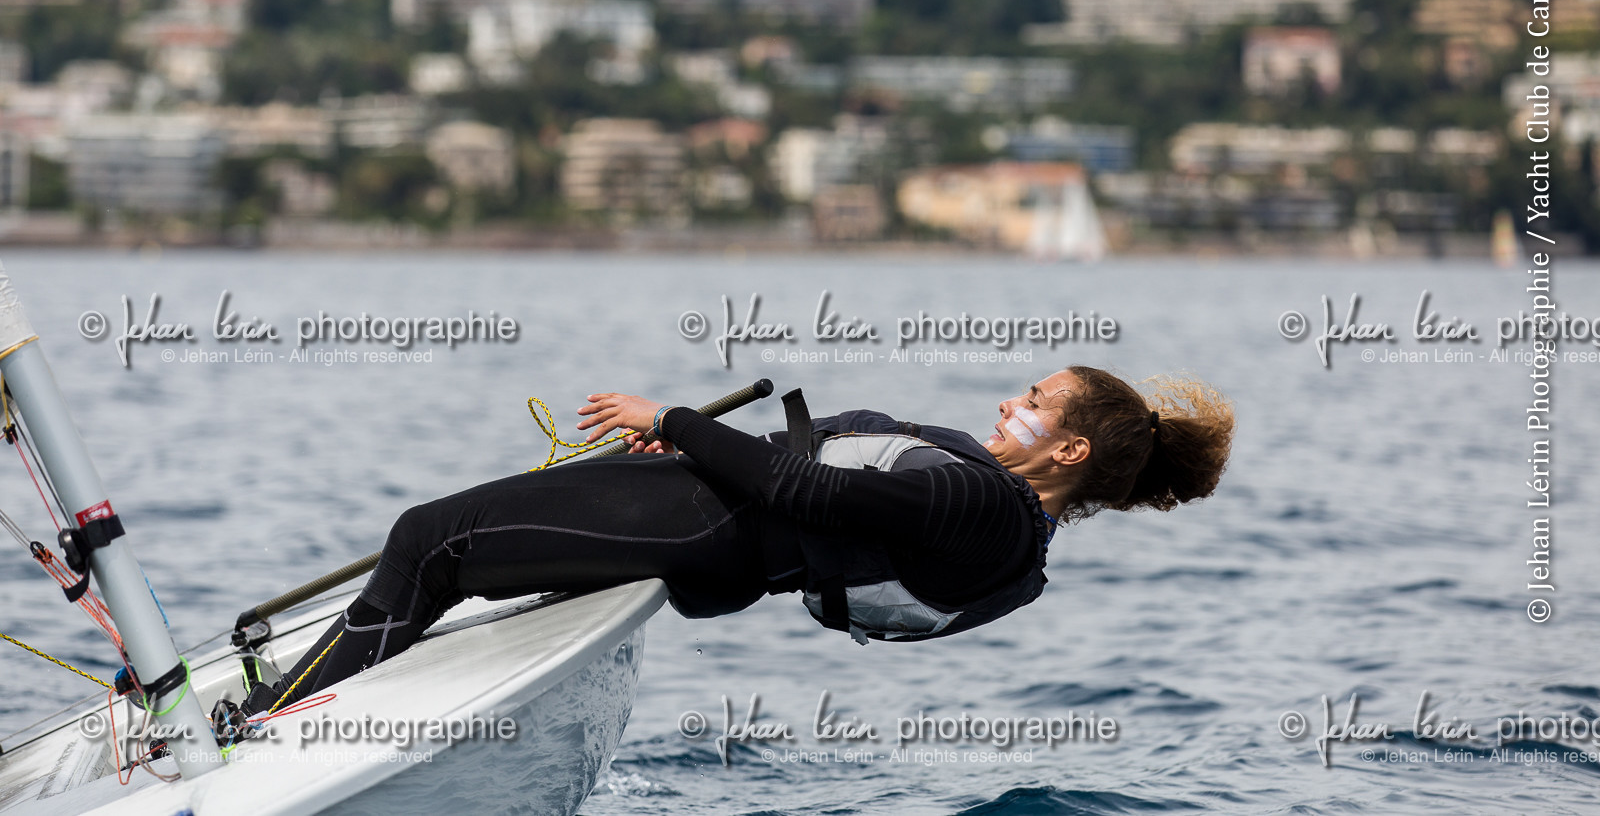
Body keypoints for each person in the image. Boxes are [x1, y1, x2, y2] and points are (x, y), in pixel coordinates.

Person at [242, 366, 1233, 714]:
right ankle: (334, 681)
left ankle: (266, 722)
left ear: (1066, 446)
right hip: (710, 516)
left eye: (1032, 401)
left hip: (712, 522)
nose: (1007, 401)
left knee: (429, 541)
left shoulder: (984, 510)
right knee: (442, 548)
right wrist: (681, 446)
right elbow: (814, 468)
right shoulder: (1003, 516)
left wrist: (671, 417)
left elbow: (805, 488)